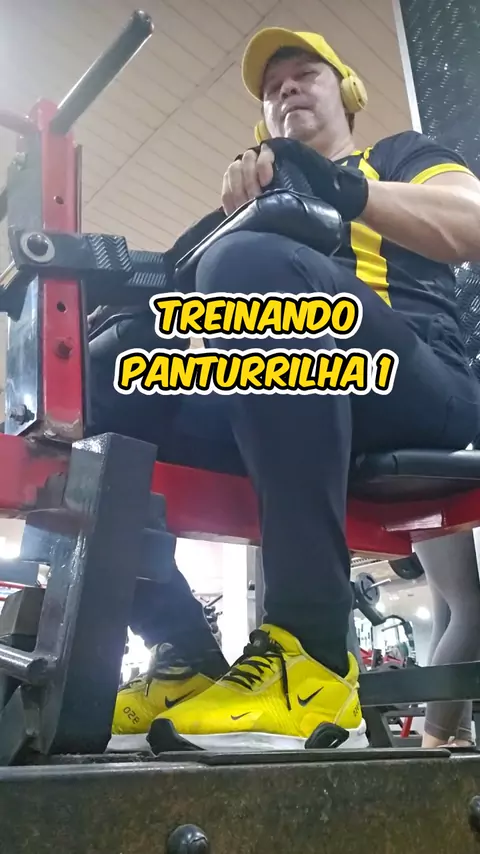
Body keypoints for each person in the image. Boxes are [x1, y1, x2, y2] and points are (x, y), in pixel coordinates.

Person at [97, 27, 480, 753]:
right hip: (297, 396)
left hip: (419, 385)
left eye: (305, 74)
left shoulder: (397, 157)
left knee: (248, 266)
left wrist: (344, 189)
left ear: (347, 92)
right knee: (112, 369)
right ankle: (180, 651)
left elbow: (472, 225)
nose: (287, 90)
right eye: (274, 89)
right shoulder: (255, 210)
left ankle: (313, 654)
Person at [414, 533, 480, 748]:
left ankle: (459, 736)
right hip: (432, 514)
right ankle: (430, 748)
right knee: (470, 612)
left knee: (450, 617)